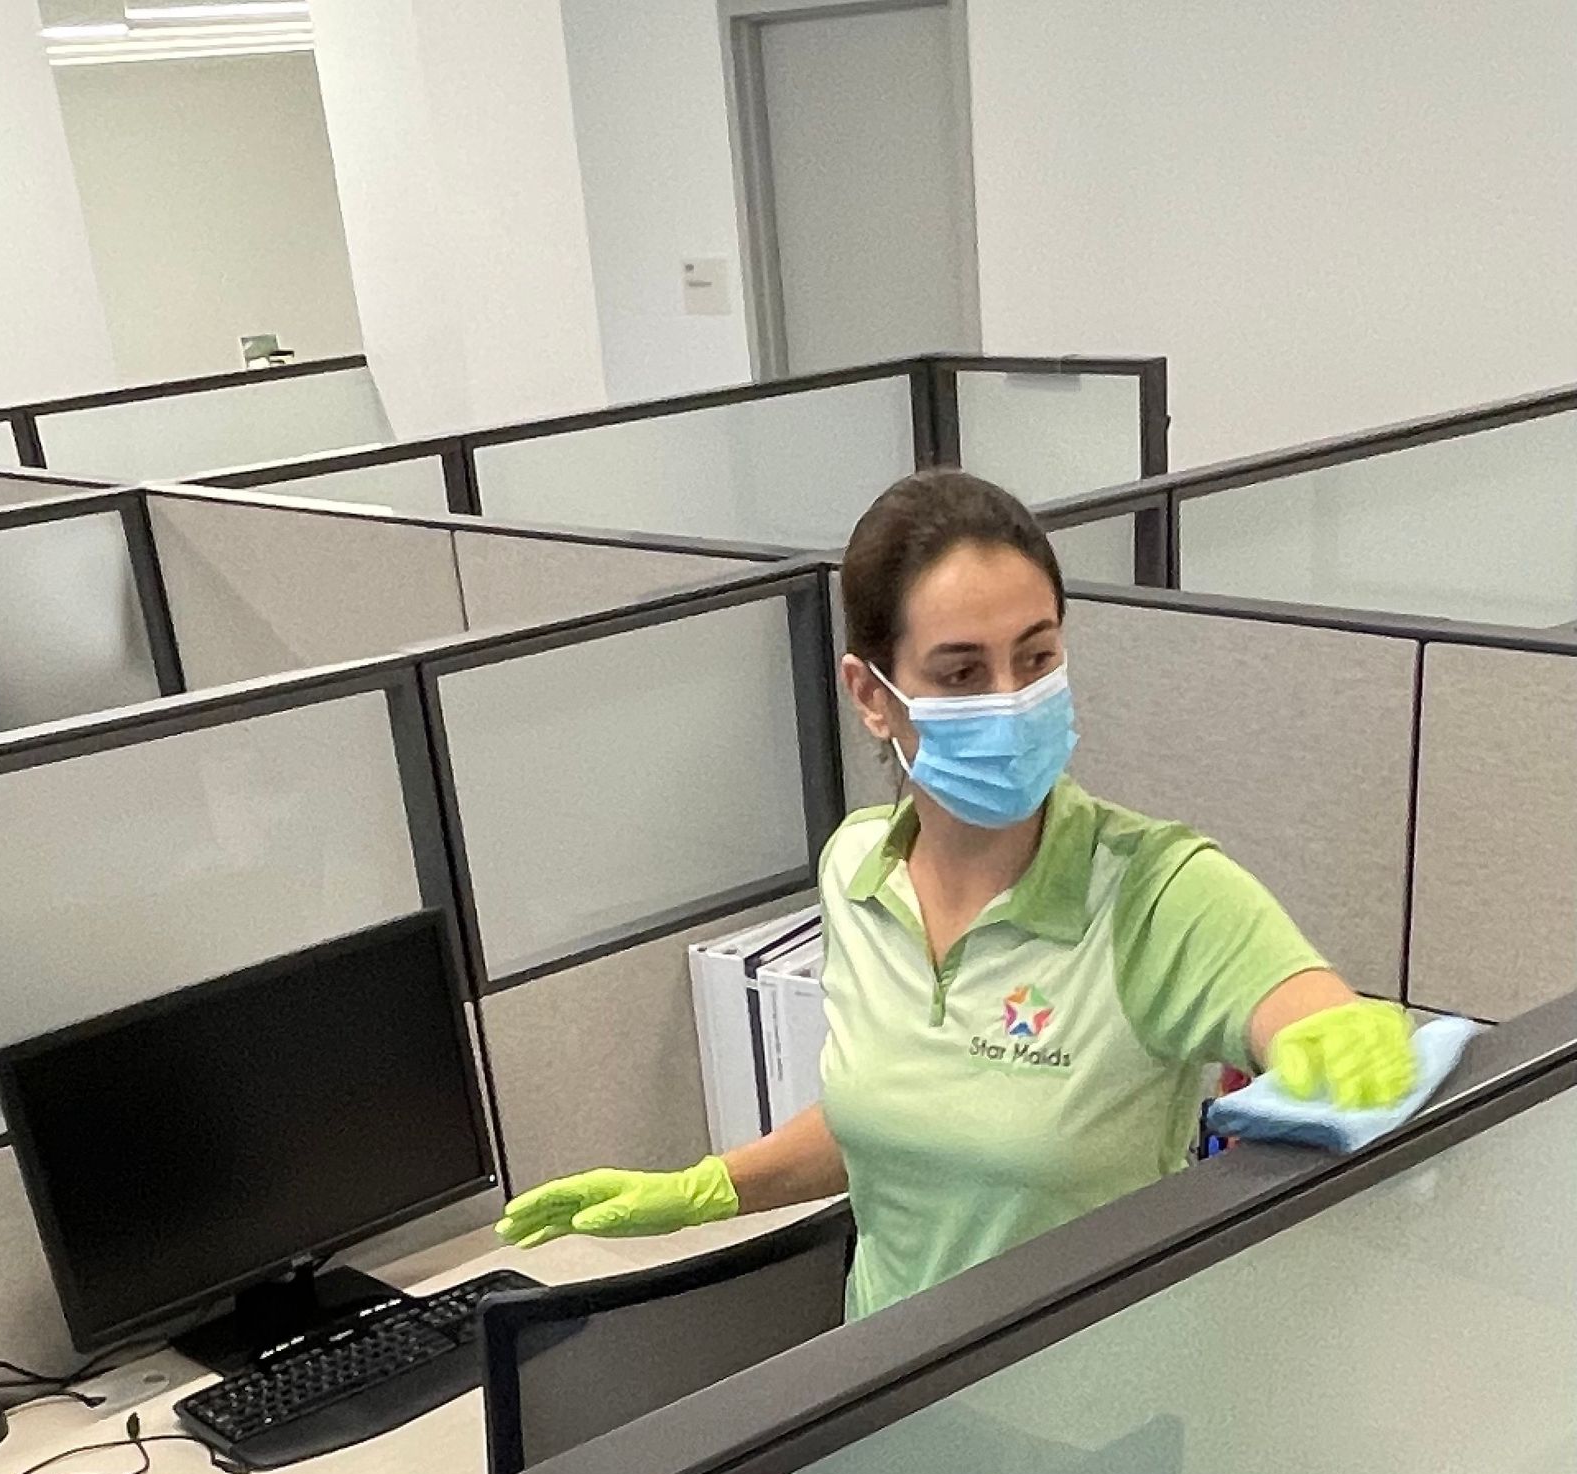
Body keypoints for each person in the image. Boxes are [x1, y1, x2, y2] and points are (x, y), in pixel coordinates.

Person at [496, 468, 1416, 1320]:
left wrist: (1329, 1030)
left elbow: (1298, 1008)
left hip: (1089, 1424)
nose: (1011, 699)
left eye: (1037, 657)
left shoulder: (1157, 890)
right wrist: (706, 1188)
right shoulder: (856, 871)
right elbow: (903, 1118)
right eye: (962, 672)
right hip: (888, 1394)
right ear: (872, 693)